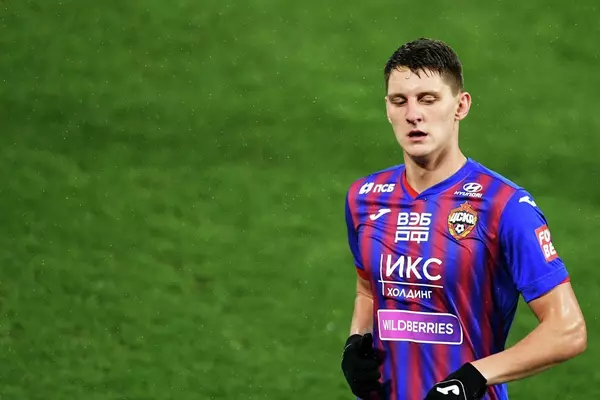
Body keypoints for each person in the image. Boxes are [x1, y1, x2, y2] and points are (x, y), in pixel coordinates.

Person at [341, 38, 587, 400]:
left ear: (461, 105)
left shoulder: (504, 206)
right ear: (388, 109)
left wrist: (473, 377)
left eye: (428, 99)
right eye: (400, 101)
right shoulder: (365, 197)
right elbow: (367, 288)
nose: (413, 114)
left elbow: (568, 329)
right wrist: (355, 340)